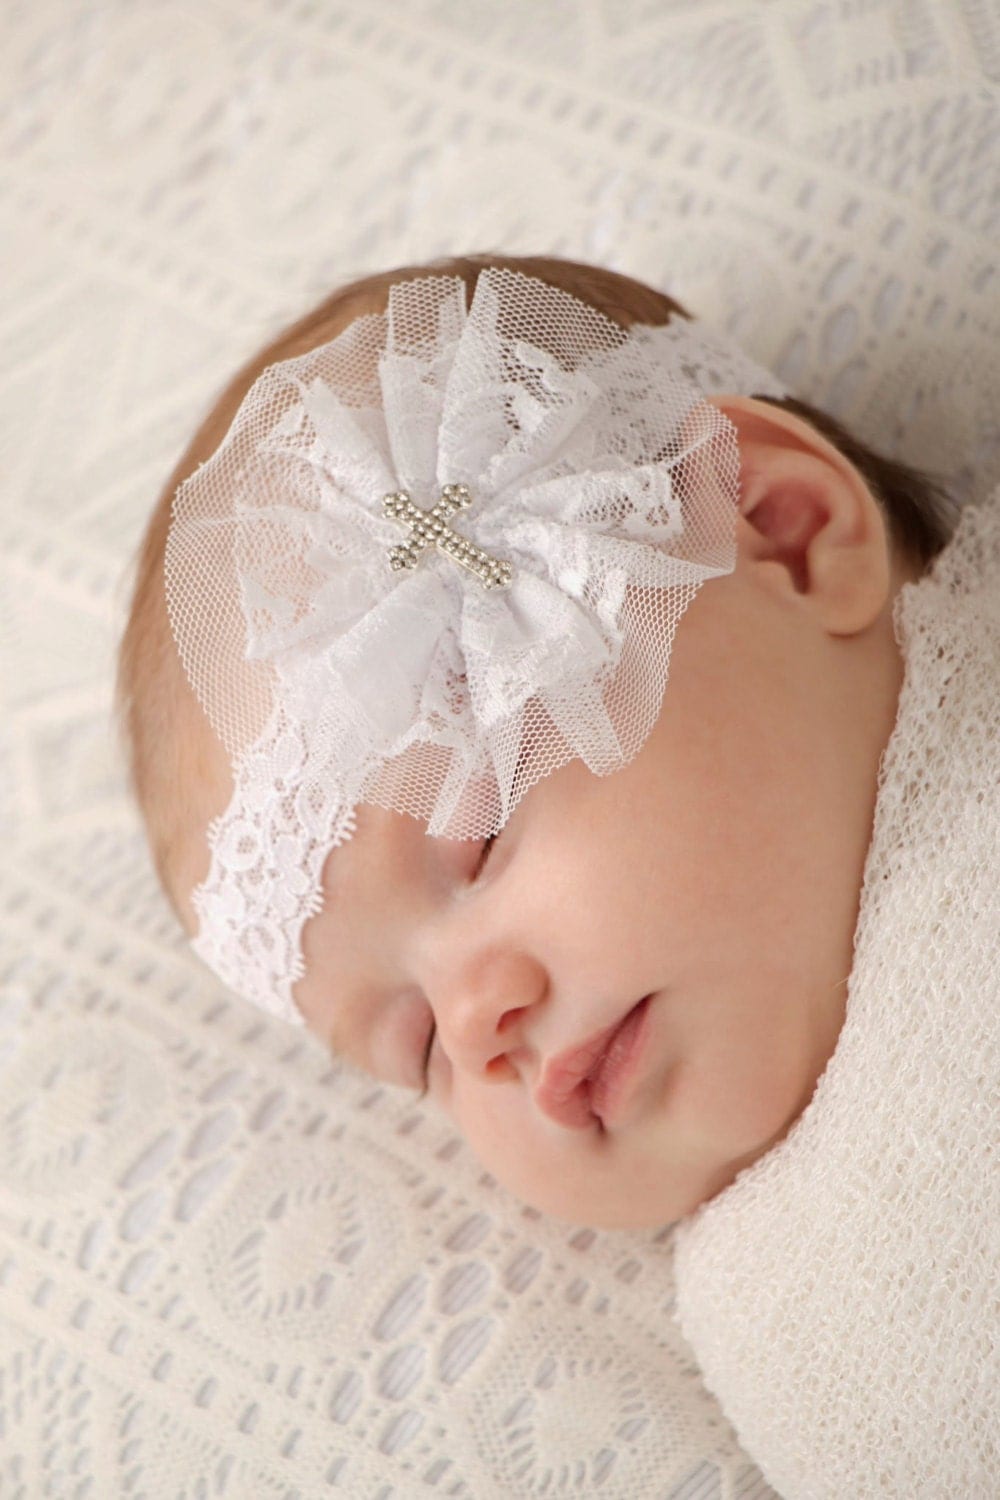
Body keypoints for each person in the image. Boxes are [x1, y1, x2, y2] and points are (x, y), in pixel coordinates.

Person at [115, 252, 959, 1231]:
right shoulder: (762, 1294)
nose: (478, 1027)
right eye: (417, 1048)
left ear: (785, 531)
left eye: (481, 831)